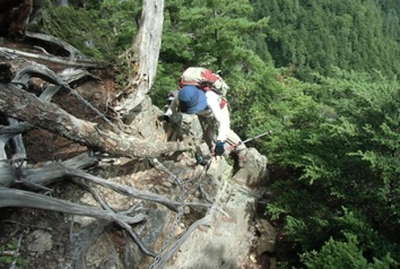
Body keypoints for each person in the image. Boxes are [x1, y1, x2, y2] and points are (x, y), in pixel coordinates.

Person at [164, 67, 243, 156]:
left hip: (218, 110)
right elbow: (173, 105)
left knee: (225, 132)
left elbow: (222, 122)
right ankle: (207, 154)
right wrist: (167, 116)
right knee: (207, 138)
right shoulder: (183, 94)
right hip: (202, 113)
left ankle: (242, 149)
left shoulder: (210, 97)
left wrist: (220, 141)